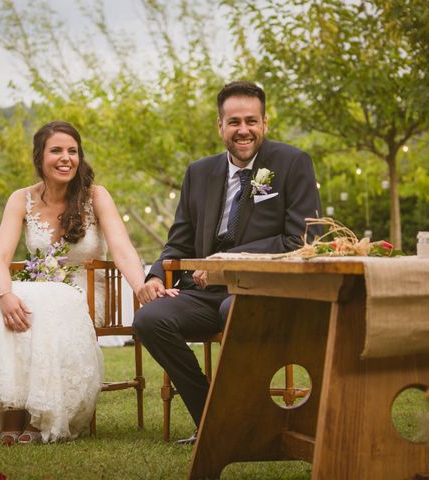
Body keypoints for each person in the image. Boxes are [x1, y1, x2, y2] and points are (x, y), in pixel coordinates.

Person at [0, 120, 158, 444]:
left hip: (85, 294)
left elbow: (122, 249)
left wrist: (140, 284)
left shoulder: (96, 196)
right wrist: (4, 294)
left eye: (72, 151)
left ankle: (38, 417)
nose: (66, 158)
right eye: (56, 151)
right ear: (39, 158)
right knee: (17, 301)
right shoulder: (21, 199)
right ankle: (11, 412)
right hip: (39, 291)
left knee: (40, 303)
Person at [133, 81, 322, 444]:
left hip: (259, 290)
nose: (243, 130)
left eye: (251, 120)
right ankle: (212, 419)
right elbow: (179, 240)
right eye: (233, 122)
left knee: (235, 309)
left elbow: (303, 240)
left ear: (265, 122)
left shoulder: (292, 163)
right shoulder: (199, 173)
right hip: (202, 292)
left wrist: (225, 261)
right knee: (149, 320)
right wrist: (157, 276)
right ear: (220, 126)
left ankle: (236, 420)